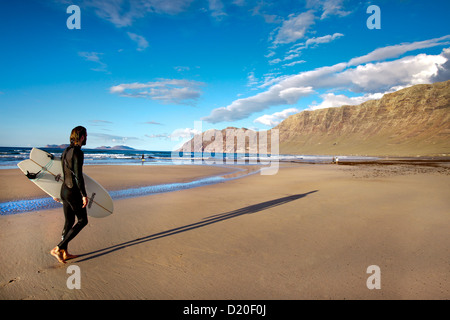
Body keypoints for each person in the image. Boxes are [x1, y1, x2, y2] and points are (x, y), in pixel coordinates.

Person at [51, 126, 88, 263]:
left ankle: (64, 253)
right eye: (86, 135)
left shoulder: (66, 150)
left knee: (69, 221)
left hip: (64, 190)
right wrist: (84, 194)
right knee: (83, 220)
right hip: (73, 192)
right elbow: (78, 176)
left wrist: (54, 193)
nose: (86, 138)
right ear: (82, 137)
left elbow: (62, 173)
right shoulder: (78, 152)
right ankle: (58, 248)